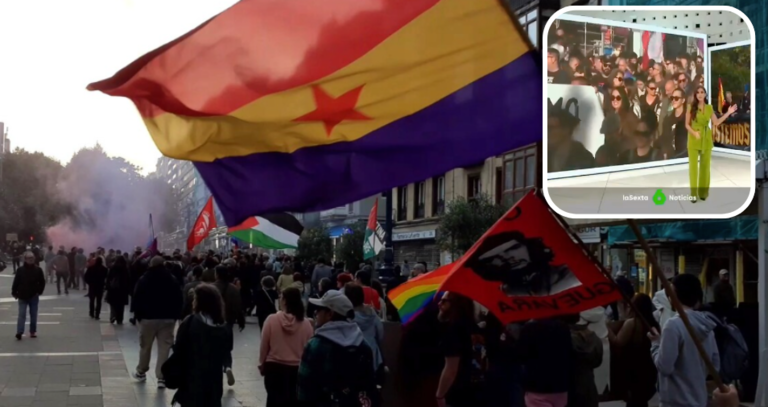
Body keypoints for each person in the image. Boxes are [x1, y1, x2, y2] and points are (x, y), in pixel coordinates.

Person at [648, 274, 720, 407]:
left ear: (675, 295)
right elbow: (715, 365)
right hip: (699, 399)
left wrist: (656, 344)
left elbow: (665, 367)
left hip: (676, 401)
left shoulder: (673, 325)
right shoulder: (706, 325)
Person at [297, 290, 377, 407]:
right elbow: (368, 384)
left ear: (330, 314)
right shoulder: (362, 345)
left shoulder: (316, 345)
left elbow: (304, 389)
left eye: (319, 310)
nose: (316, 313)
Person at [170, 284, 233, 407]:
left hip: (192, 377)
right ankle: (228, 368)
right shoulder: (224, 327)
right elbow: (227, 350)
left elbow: (179, 348)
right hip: (214, 379)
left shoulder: (190, 322)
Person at [131, 256, 184, 388]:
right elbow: (179, 297)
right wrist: (176, 315)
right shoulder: (172, 279)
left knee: (145, 346)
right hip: (167, 319)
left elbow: (136, 297)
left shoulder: (144, 279)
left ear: (151, 265)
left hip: (148, 318)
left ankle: (141, 372)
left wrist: (137, 315)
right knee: (164, 348)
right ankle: (161, 377)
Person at [259, 287, 314, 407]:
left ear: (284, 301)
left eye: (280, 297)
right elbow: (309, 348)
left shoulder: (271, 320)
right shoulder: (306, 324)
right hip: (297, 370)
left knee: (274, 401)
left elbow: (264, 345)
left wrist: (262, 364)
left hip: (274, 368)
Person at [685, 86, 738, 202]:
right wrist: (694, 133)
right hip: (694, 139)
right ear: (695, 95)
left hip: (706, 139)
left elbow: (716, 122)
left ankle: (703, 193)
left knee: (705, 167)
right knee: (693, 168)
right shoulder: (690, 107)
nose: (699, 94)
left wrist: (728, 113)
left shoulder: (709, 108)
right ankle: (693, 194)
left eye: (702, 92)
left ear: (705, 95)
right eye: (697, 92)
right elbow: (687, 125)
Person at [607, 294, 659, 407]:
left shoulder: (632, 323)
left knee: (633, 402)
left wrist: (606, 329)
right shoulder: (654, 324)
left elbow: (618, 342)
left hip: (633, 370)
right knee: (641, 401)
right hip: (649, 368)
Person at [518, 317, 572, 407]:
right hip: (560, 385)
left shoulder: (529, 329)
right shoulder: (563, 328)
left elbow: (521, 355)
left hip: (537, 386)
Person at [435, 292, 475, 407]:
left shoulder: (453, 330)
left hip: (453, 394)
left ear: (456, 305)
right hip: (464, 391)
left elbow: (451, 369)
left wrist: (439, 395)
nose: (439, 304)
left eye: (444, 301)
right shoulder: (465, 326)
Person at [346, 284, 385, 382]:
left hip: (352, 356)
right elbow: (380, 332)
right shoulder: (371, 312)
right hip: (373, 354)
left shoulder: (347, 316)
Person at [214, 266, 245, 386]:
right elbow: (239, 306)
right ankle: (227, 367)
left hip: (214, 323)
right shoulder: (234, 289)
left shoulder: (212, 288)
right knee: (226, 349)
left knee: (213, 349)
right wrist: (241, 320)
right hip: (228, 323)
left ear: (217, 274)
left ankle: (215, 372)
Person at [564, 313, 603, 407]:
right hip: (589, 385)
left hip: (570, 386)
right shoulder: (594, 338)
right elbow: (598, 362)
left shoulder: (566, 338)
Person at [11, 252, 46, 340]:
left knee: (33, 314)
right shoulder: (20, 270)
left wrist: (39, 291)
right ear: (25, 259)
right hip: (22, 295)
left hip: (33, 295)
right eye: (29, 258)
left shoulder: (38, 270)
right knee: (21, 314)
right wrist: (14, 292)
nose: (31, 259)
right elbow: (16, 281)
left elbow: (42, 282)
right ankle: (19, 332)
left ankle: (32, 331)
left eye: (32, 258)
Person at [106, 255, 131, 324]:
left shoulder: (113, 268)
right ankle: (120, 319)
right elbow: (128, 280)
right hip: (122, 290)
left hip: (113, 290)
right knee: (121, 306)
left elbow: (109, 278)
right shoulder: (125, 269)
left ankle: (112, 316)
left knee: (113, 304)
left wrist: (108, 287)